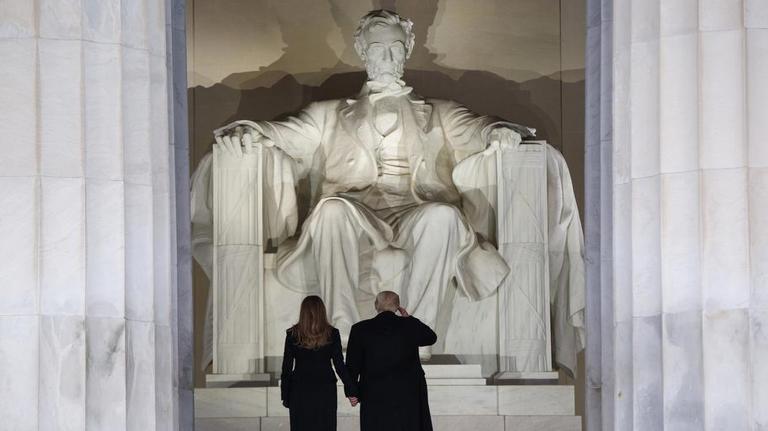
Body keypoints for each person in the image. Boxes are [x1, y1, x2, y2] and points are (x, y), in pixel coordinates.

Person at [345, 291, 437, 431]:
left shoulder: (360, 329)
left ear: (376, 305)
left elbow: (352, 364)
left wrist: (352, 391)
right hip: (408, 396)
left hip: (373, 395)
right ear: (397, 306)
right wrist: (409, 318)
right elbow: (431, 337)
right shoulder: (409, 325)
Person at [280, 296, 358, 431]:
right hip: (325, 389)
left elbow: (286, 367)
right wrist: (352, 390)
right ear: (322, 311)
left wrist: (285, 395)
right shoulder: (332, 333)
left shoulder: (292, 334)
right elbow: (339, 365)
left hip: (299, 390)